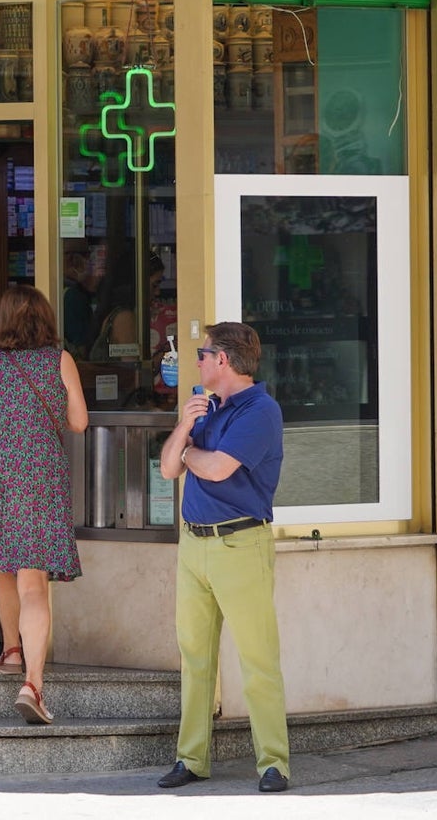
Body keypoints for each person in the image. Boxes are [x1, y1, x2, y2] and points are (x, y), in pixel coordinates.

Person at [156, 322, 290, 794]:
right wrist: (184, 428)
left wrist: (191, 448)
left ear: (224, 361)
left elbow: (214, 468)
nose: (196, 360)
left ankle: (274, 763)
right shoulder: (207, 408)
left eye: (202, 352)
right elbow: (167, 466)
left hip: (240, 544)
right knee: (194, 659)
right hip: (194, 544)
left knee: (258, 659)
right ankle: (190, 759)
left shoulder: (261, 411)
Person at [0, 286, 89, 724]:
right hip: (35, 472)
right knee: (33, 582)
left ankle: (10, 650)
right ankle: (32, 682)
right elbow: (78, 421)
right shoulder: (60, 360)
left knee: (3, 563)